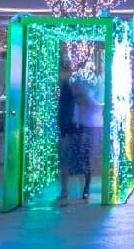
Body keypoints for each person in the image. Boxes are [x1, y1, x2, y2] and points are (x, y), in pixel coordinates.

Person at [70, 63, 104, 198]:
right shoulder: (85, 98)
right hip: (88, 128)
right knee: (87, 158)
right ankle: (85, 187)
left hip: (90, 128)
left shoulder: (88, 97)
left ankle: (86, 187)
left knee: (88, 157)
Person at [57, 66, 77, 201]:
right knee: (65, 162)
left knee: (64, 161)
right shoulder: (69, 89)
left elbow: (65, 111)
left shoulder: (66, 90)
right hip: (67, 129)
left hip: (66, 130)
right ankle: (65, 189)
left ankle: (65, 190)